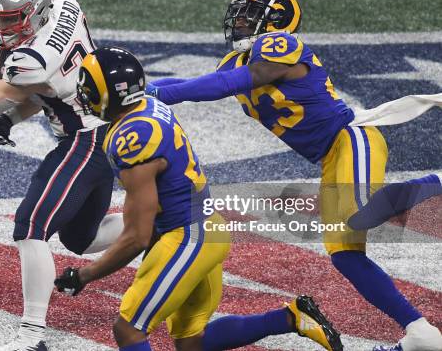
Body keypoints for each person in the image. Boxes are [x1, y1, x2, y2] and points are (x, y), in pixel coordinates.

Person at [145, 0, 442, 351]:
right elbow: (198, 82)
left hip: (351, 139)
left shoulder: (283, 45)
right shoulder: (235, 62)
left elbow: (229, 83)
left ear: (276, 20)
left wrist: (160, 94)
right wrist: (143, 88)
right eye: (239, 13)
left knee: (359, 214)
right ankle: (419, 332)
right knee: (345, 255)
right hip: (329, 158)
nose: (238, 21)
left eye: (249, 14)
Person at [54, 46, 343, 351]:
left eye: (88, 86)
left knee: (129, 330)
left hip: (188, 236)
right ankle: (290, 318)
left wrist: (85, 274)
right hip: (205, 228)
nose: (83, 93)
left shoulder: (133, 137)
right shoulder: (146, 108)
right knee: (192, 342)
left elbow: (137, 236)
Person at [0, 0, 123, 351]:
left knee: (30, 225)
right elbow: (51, 90)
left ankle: (31, 337)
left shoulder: (29, 59)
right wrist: (14, 118)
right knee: (81, 239)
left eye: (11, 18)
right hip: (103, 130)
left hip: (84, 141)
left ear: (35, 10)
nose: (2, 28)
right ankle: (163, 221)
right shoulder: (65, 1)